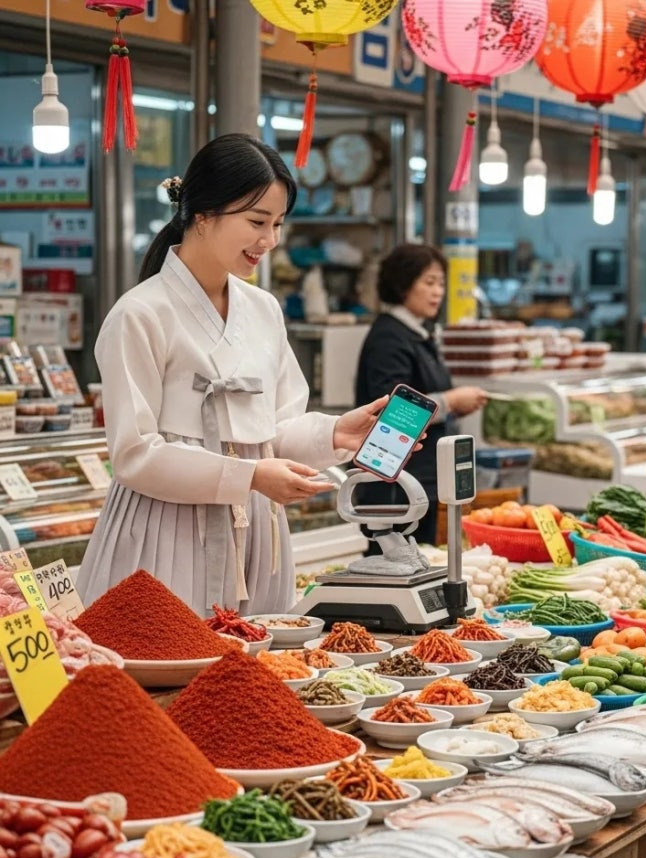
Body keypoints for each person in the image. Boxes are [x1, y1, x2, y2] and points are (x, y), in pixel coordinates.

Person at [76, 133, 388, 615]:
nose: (270, 241)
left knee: (248, 675)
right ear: (202, 214)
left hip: (256, 528)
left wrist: (336, 431)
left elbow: (277, 427)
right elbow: (134, 454)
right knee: (168, 667)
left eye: (278, 224)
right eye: (256, 221)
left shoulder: (263, 309)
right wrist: (249, 474)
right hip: (166, 528)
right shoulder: (139, 314)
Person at [354, 244, 487, 544]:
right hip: (395, 484)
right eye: (428, 282)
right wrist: (452, 402)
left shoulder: (419, 334)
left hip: (421, 481)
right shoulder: (389, 337)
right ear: (403, 284)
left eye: (441, 283)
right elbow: (394, 410)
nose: (437, 292)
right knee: (392, 565)